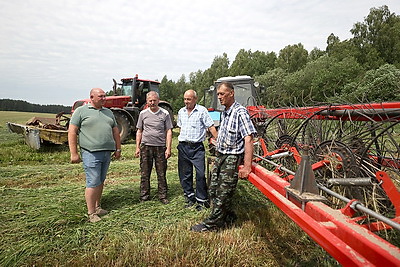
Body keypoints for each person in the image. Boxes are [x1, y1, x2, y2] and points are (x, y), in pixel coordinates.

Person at [190, 82, 257, 232]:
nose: (219, 97)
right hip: (221, 155)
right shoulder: (225, 112)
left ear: (231, 93)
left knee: (223, 193)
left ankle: (211, 225)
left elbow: (248, 139)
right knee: (213, 188)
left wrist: (247, 166)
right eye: (218, 94)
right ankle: (228, 217)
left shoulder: (240, 112)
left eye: (222, 94)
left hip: (232, 157)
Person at [68, 88, 121, 223]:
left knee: (101, 180)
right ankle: (91, 213)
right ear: (91, 97)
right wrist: (74, 153)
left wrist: (118, 148)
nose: (104, 98)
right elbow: (72, 131)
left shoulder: (108, 112)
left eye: (105, 96)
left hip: (106, 152)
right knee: (93, 181)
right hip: (90, 153)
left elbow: (115, 132)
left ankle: (97, 207)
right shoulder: (81, 111)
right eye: (101, 96)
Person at [177, 89, 218, 211]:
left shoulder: (202, 111)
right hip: (183, 147)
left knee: (200, 174)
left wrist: (219, 141)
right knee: (185, 174)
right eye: (185, 99)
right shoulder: (181, 112)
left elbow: (210, 127)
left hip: (197, 148)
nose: (186, 102)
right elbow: (181, 128)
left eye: (188, 99)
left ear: (195, 99)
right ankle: (190, 197)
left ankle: (201, 200)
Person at [135, 91, 173, 204]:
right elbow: (139, 131)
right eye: (150, 101)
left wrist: (169, 148)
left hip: (160, 147)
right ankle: (144, 196)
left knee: (161, 172)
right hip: (146, 147)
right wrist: (137, 147)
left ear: (158, 100)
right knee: (145, 173)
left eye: (154, 100)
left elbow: (169, 131)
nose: (152, 103)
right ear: (147, 101)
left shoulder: (165, 114)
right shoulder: (143, 114)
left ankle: (162, 195)